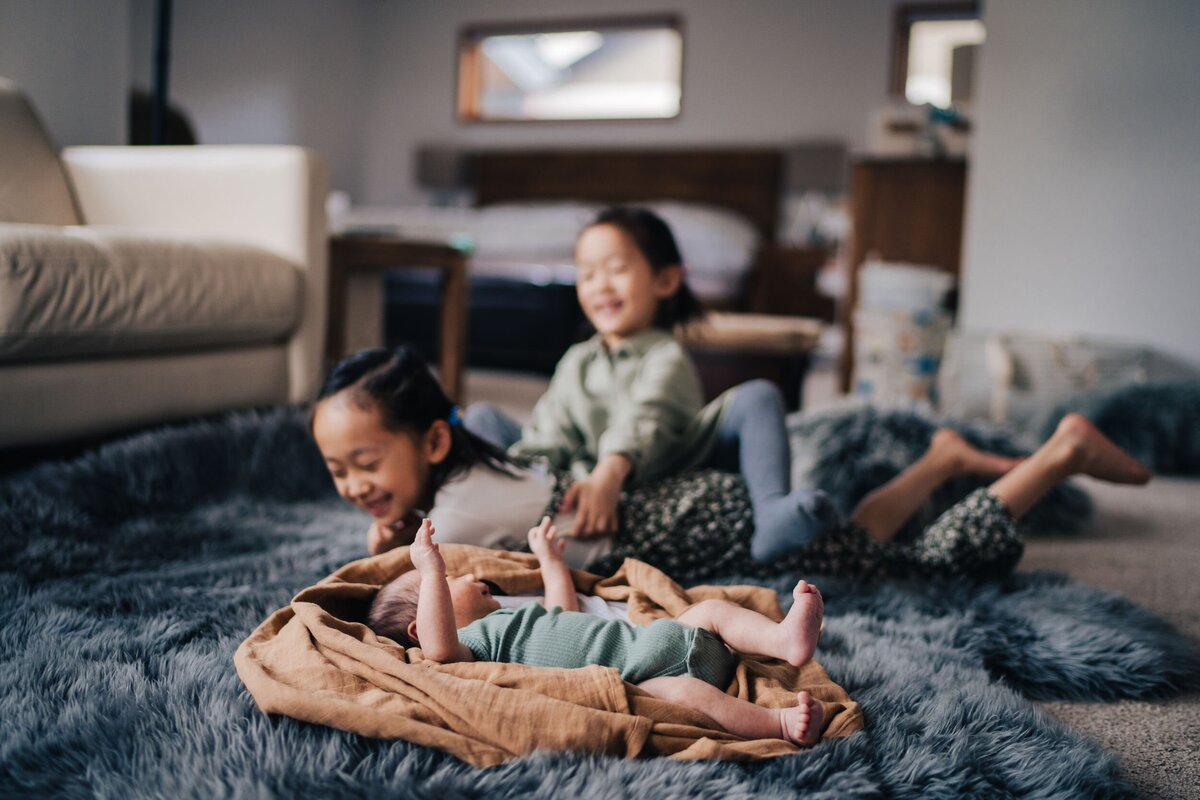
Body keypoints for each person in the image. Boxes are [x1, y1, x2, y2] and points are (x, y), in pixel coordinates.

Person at [310, 345, 1152, 587]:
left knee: (923, 571)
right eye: (337, 470)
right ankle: (940, 460)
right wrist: (392, 510)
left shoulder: (453, 516)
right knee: (855, 544)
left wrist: (386, 541)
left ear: (431, 443)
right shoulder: (473, 468)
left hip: (707, 534)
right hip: (687, 505)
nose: (353, 485)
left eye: (365, 462)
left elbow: (396, 594)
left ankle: (1057, 453)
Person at [463, 206, 833, 562]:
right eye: (587, 274)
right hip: (587, 471)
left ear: (666, 280)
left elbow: (648, 416)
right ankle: (474, 502)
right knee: (482, 420)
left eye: (617, 269)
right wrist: (525, 473)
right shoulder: (578, 360)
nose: (600, 286)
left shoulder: (665, 353)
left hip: (673, 461)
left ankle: (771, 514)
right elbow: (552, 428)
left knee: (759, 396)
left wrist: (609, 472)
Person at [368, 516, 827, 747]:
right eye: (451, 584)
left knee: (710, 609)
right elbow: (439, 650)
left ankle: (782, 640)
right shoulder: (471, 648)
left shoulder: (510, 619)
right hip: (644, 676)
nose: (468, 577)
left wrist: (550, 561)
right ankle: (779, 723)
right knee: (687, 697)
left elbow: (561, 610)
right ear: (422, 624)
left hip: (659, 637)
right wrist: (430, 572)